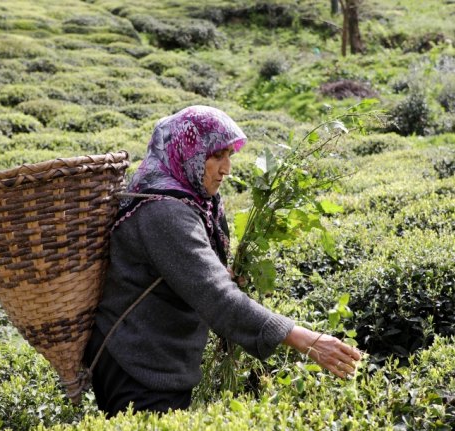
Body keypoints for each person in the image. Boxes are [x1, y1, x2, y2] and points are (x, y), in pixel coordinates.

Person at [83, 105, 361, 417]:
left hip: (158, 357)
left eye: (229, 155)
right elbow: (215, 295)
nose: (226, 168)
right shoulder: (163, 212)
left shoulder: (193, 201)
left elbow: (192, 273)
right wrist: (303, 338)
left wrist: (221, 271)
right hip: (137, 363)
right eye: (216, 156)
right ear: (187, 152)